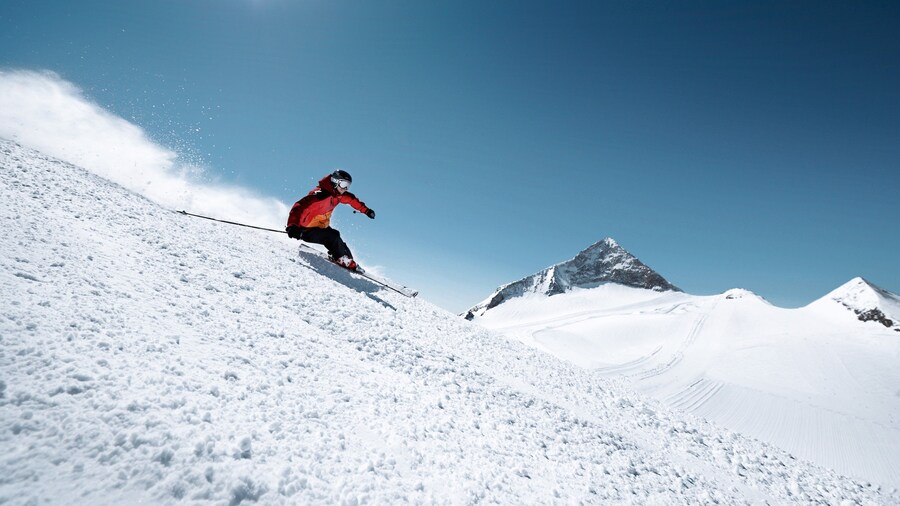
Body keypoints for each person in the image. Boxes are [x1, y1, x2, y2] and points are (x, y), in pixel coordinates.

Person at [285, 170, 375, 271]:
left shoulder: (338, 195)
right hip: (305, 230)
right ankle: (341, 258)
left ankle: (345, 259)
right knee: (332, 237)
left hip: (319, 227)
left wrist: (366, 210)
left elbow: (352, 200)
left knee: (337, 238)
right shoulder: (320, 195)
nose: (345, 188)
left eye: (348, 186)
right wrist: (292, 226)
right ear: (335, 181)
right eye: (343, 184)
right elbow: (299, 207)